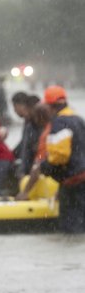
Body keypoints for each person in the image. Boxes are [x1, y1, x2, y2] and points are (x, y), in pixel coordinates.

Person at [39, 85, 85, 233]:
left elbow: (60, 156)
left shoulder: (60, 123)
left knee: (71, 226)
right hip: (81, 177)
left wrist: (44, 165)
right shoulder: (78, 119)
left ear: (49, 106)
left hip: (73, 180)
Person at [16, 103, 58, 200]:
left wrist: (25, 192)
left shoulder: (48, 134)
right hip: (65, 174)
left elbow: (38, 165)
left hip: (51, 176)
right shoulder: (58, 127)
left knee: (26, 181)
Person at [11, 92, 41, 180]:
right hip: (34, 167)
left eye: (15, 107)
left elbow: (26, 147)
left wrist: (23, 170)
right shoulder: (30, 123)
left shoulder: (34, 124)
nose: (15, 111)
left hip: (36, 167)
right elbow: (25, 145)